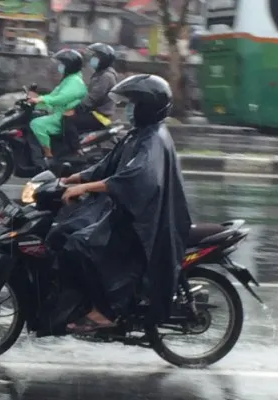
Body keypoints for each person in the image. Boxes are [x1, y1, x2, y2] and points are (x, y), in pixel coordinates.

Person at [48, 74, 192, 333]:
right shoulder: (138, 134)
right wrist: (72, 177)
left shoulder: (153, 141)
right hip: (132, 212)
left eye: (133, 103)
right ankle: (77, 300)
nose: (128, 109)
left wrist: (85, 187)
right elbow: (108, 165)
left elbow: (134, 179)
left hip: (146, 222)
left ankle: (106, 311)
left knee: (82, 245)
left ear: (147, 107)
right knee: (64, 231)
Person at [27, 49, 87, 168]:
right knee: (36, 115)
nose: (60, 67)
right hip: (57, 112)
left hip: (61, 116)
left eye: (62, 64)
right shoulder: (68, 79)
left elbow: (61, 99)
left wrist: (41, 100)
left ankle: (48, 157)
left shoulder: (75, 81)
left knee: (36, 124)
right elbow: (53, 97)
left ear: (69, 65)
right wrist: (37, 100)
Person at [63, 43, 118, 151]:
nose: (92, 59)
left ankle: (75, 150)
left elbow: (92, 98)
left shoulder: (106, 77)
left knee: (67, 119)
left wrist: (75, 108)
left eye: (96, 57)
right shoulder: (100, 74)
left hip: (99, 115)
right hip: (94, 112)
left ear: (104, 59)